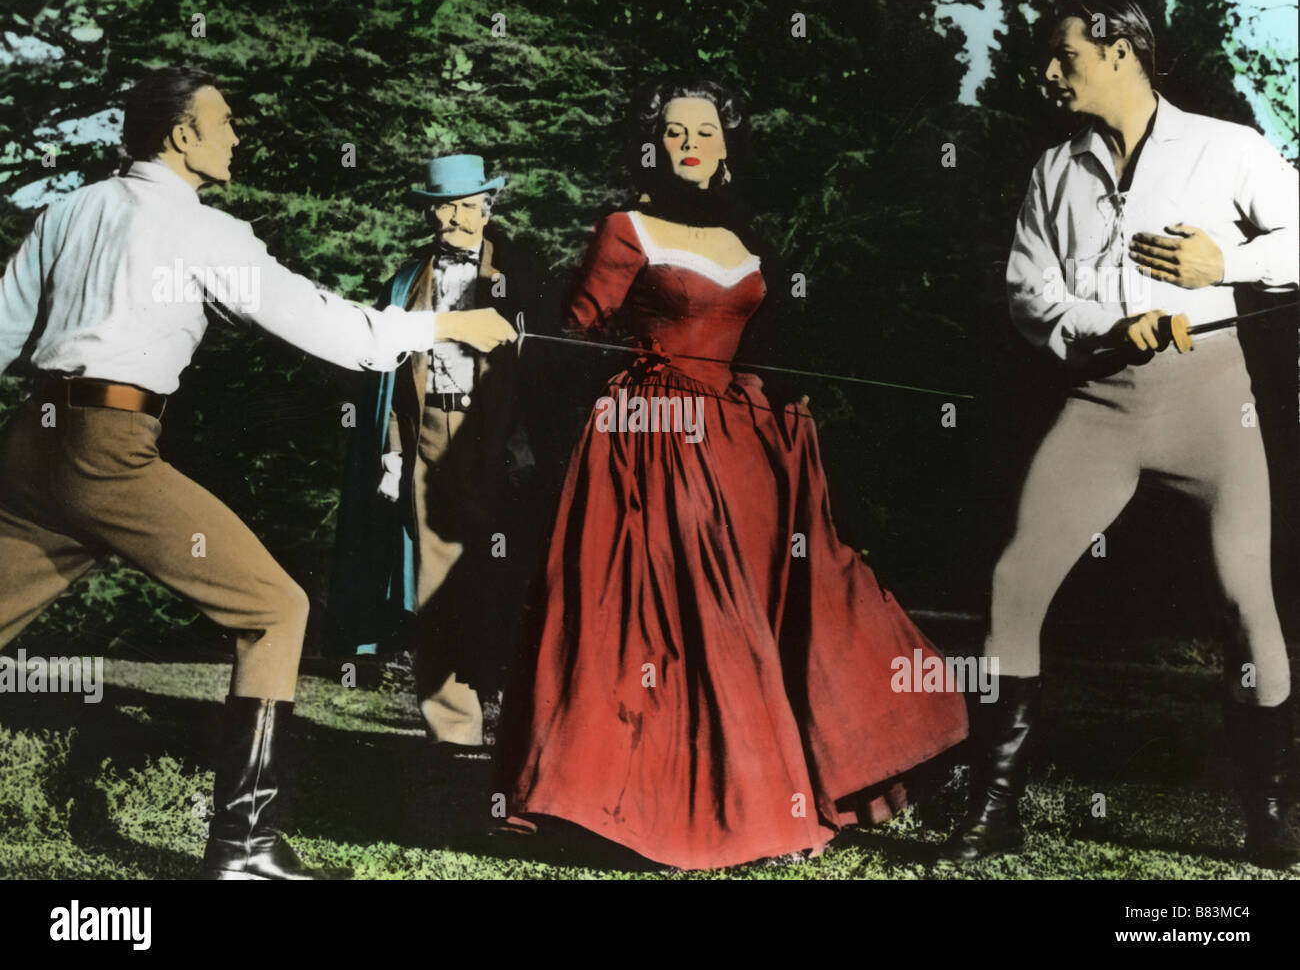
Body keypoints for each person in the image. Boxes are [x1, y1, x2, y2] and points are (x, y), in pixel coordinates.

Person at [0, 67, 517, 879]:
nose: (238, 135)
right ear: (181, 136)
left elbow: (1, 335)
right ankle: (243, 852)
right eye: (225, 121)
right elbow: (343, 334)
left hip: (32, 445)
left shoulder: (68, 209)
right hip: (109, 448)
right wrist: (454, 323)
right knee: (276, 610)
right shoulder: (205, 232)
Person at [494, 79, 969, 870]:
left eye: (705, 131)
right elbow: (570, 335)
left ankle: (801, 783)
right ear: (654, 143)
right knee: (696, 626)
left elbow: (764, 352)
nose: (690, 143)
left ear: (726, 147)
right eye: (674, 130)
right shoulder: (625, 227)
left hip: (744, 453)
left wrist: (795, 409)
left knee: (770, 607)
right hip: (650, 445)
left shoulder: (752, 246)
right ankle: (719, 810)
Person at [941, 0, 1300, 868]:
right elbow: (1029, 289)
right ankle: (996, 809)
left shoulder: (1229, 148)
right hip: (1099, 403)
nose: (1048, 73)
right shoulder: (1054, 169)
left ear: (1123, 51)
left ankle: (1272, 814)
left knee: (1247, 603)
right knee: (1013, 583)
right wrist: (1105, 323)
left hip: (1214, 401)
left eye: (1065, 56)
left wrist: (1229, 265)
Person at [327, 154, 536, 749]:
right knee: (434, 585)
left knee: (509, 576)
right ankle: (454, 739)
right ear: (429, 210)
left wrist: (526, 444)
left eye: (470, 205)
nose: (457, 218)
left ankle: (526, 737)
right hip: (427, 436)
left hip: (499, 440)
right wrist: (393, 454)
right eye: (445, 206)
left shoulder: (520, 272)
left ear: (489, 207)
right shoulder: (405, 280)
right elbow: (387, 376)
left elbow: (545, 370)